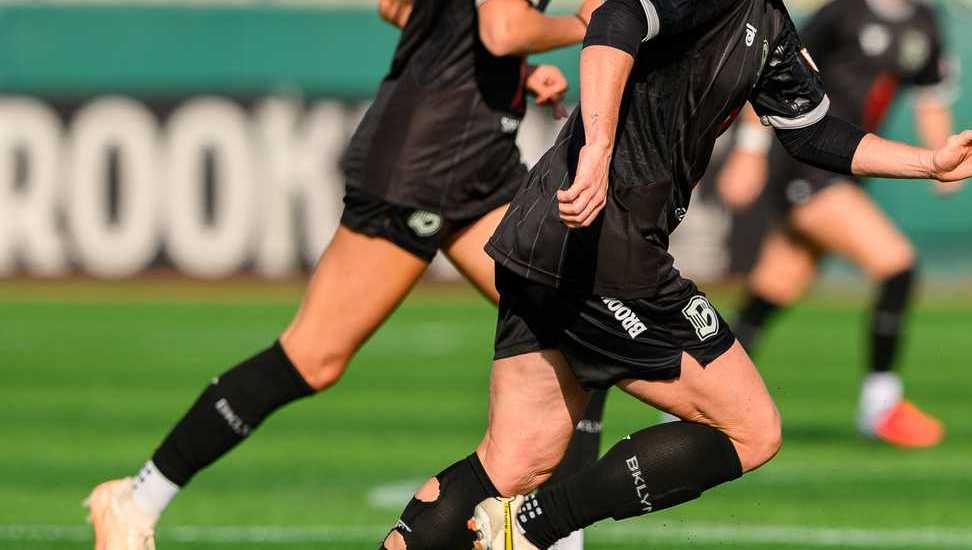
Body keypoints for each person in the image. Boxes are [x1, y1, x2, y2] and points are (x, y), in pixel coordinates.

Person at [373, 0, 972, 547]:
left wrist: (931, 162)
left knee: (513, 459)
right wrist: (595, 151)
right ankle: (533, 529)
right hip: (607, 245)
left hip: (544, 238)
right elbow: (615, 20)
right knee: (750, 430)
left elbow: (815, 134)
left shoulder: (768, 21)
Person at [83, 1, 606, 549]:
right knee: (312, 356)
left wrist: (515, 71)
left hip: (475, 161)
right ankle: (134, 501)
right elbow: (501, 30)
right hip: (421, 166)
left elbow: (400, 9)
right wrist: (581, 27)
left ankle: (545, 534)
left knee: (575, 318)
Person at [712, 0, 961, 448]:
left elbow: (932, 97)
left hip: (849, 167)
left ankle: (695, 398)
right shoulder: (841, 14)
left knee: (775, 289)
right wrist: (748, 151)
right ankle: (880, 405)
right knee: (897, 265)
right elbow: (770, 69)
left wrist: (945, 156)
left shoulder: (924, 22)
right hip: (805, 164)